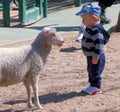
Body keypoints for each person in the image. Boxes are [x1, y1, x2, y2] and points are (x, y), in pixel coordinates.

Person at [76, 3, 110, 95]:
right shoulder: (90, 27)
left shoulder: (96, 30)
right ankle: (92, 85)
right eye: (82, 19)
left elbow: (99, 45)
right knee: (90, 70)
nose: (83, 21)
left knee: (95, 71)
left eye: (85, 19)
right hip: (90, 56)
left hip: (96, 56)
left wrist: (95, 57)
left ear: (95, 18)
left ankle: (97, 87)